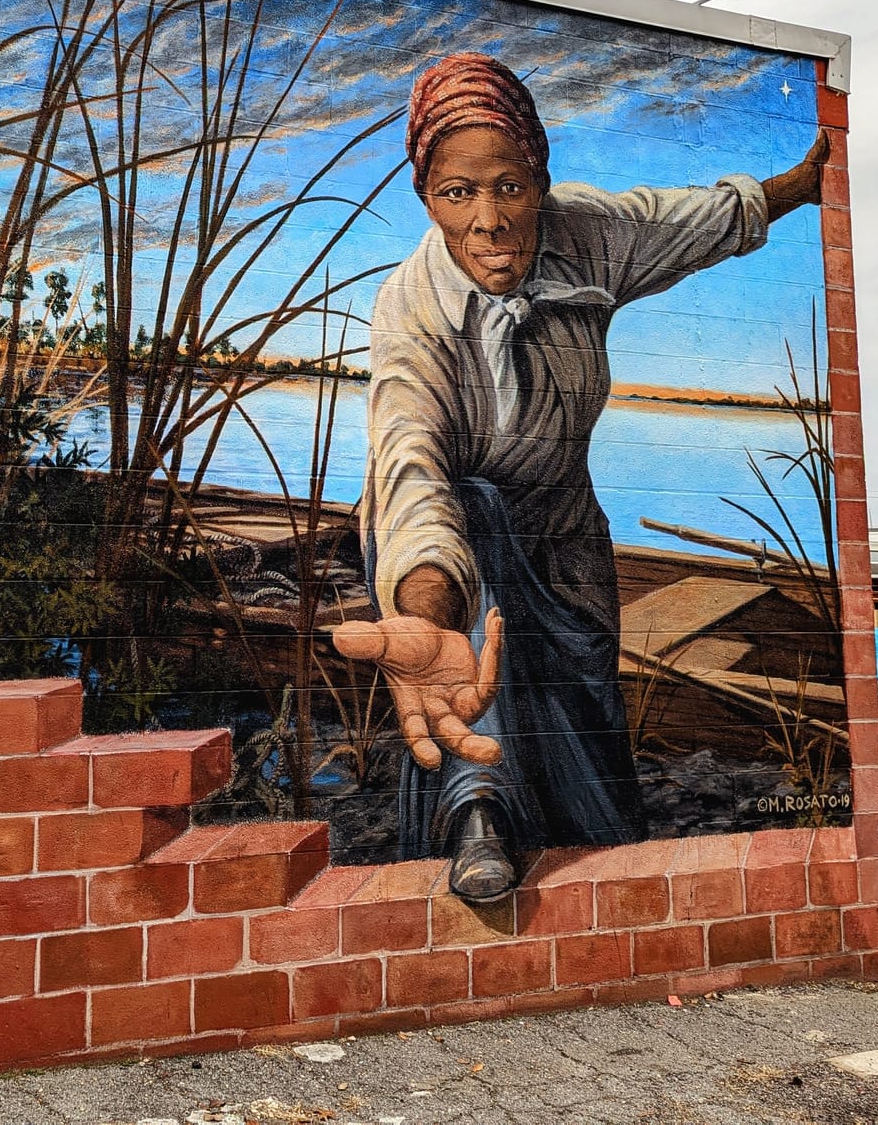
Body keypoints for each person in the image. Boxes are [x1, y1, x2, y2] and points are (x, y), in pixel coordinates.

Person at [333, 51, 828, 902]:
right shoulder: (411, 310)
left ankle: (590, 856)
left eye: (510, 187)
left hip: (562, 526)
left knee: (590, 750)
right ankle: (474, 815)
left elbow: (696, 219)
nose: (488, 220)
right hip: (450, 537)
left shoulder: (587, 232)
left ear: (540, 178)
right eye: (458, 193)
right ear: (427, 197)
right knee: (472, 563)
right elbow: (414, 471)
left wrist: (803, 184)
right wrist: (426, 612)